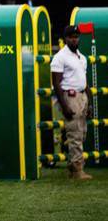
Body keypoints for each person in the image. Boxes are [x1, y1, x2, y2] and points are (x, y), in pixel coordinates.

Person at [51, 24, 92, 180]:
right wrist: (64, 105)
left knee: (82, 133)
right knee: (74, 134)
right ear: (65, 39)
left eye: (77, 37)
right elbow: (56, 83)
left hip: (82, 96)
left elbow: (84, 81)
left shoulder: (82, 57)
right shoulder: (60, 57)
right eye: (71, 37)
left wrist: (90, 102)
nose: (75, 40)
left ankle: (72, 167)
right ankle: (77, 170)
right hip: (70, 96)